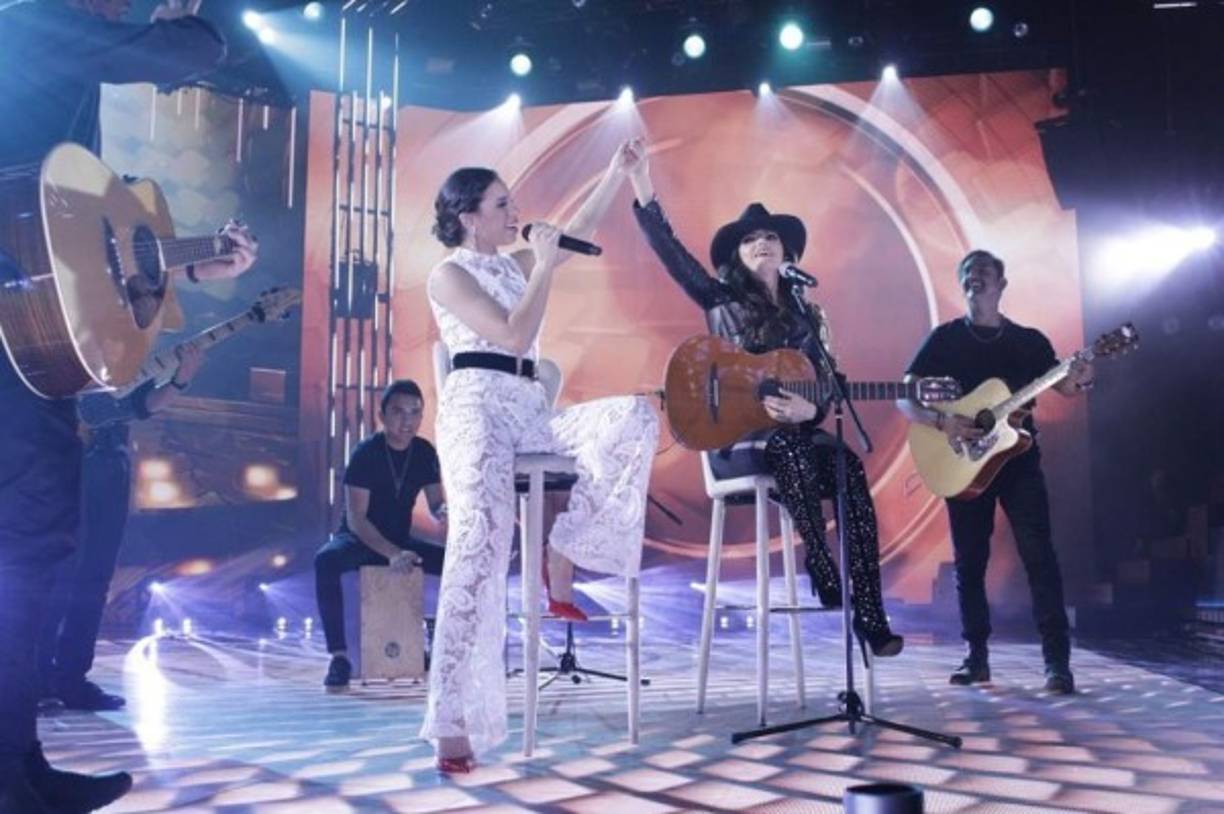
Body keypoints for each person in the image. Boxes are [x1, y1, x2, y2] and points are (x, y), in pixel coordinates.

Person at [0, 2, 257, 810]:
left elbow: (74, 252)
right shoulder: (31, 19)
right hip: (12, 350)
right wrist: (190, 18)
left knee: (40, 547)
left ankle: (18, 762)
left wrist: (181, 268)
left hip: (32, 345)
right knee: (28, 546)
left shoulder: (57, 65)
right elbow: (198, 48)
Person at [420, 144, 659, 773]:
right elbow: (513, 335)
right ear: (469, 216)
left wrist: (615, 168)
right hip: (476, 411)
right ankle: (450, 721)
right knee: (478, 550)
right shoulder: (449, 274)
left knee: (634, 416)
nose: (515, 211)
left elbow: (575, 229)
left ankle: (565, 545)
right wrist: (546, 266)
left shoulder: (517, 259)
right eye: (502, 204)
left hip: (528, 409)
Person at [623, 140, 904, 658]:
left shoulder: (808, 316)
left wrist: (811, 410)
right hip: (735, 438)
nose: (761, 244)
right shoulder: (721, 300)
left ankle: (870, 615)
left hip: (793, 433)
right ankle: (819, 562)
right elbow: (671, 254)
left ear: (787, 252)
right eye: (750, 239)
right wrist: (642, 182)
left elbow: (822, 387)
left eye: (770, 237)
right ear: (738, 254)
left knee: (849, 470)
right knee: (792, 451)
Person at [897, 249, 1091, 694]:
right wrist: (943, 421)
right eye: (967, 271)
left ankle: (1057, 664)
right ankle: (977, 658)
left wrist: (1081, 375)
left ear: (1002, 284)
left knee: (1039, 558)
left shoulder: (1029, 342)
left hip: (1019, 461)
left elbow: (1066, 387)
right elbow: (904, 397)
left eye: (984, 271)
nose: (974, 277)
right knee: (970, 564)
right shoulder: (944, 339)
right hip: (962, 461)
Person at [39, 346, 206, 713]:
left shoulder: (125, 350)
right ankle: (34, 677)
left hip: (110, 462)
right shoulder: (69, 335)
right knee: (55, 573)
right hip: (65, 459)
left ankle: (71, 677)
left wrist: (181, 378)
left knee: (96, 576)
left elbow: (144, 404)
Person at [314, 379, 447, 689]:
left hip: (400, 537)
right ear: (382, 415)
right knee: (326, 561)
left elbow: (436, 502)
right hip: (359, 539)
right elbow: (358, 520)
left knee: (455, 562)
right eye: (399, 412)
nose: (407, 420)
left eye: (415, 412)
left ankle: (435, 643)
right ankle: (339, 657)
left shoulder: (425, 452)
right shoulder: (366, 453)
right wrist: (393, 554)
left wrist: (446, 514)